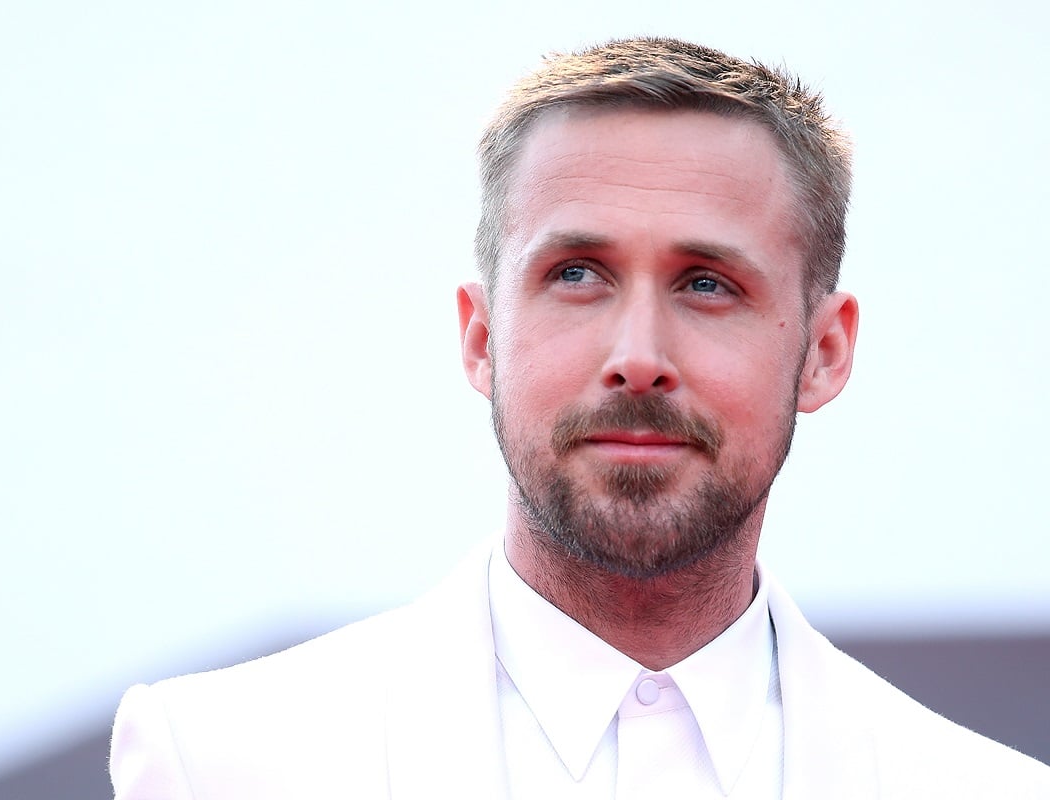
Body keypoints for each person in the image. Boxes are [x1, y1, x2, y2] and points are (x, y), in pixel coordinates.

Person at [109, 37, 1050, 798]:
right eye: (576, 274)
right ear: (480, 336)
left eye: (708, 283)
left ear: (824, 353)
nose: (638, 354)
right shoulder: (216, 763)